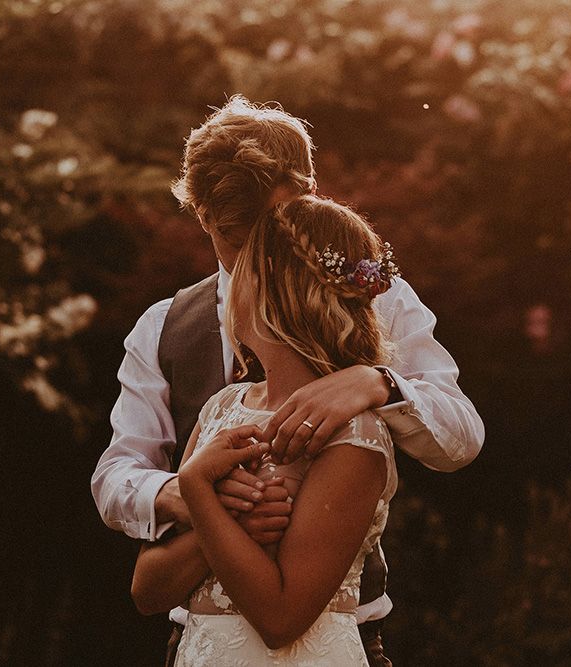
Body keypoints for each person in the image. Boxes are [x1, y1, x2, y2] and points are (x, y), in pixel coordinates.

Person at [91, 96, 484, 665]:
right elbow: (116, 475)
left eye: (273, 230)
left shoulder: (371, 293)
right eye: (235, 237)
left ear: (307, 197)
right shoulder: (165, 328)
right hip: (202, 639)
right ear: (201, 216)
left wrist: (382, 385)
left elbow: (463, 437)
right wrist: (197, 495)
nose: (259, 258)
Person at [134, 195, 401, 665]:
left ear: (272, 289)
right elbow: (147, 590)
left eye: (244, 270)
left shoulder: (350, 433)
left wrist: (197, 484)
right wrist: (224, 515)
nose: (229, 284)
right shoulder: (223, 407)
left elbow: (280, 619)